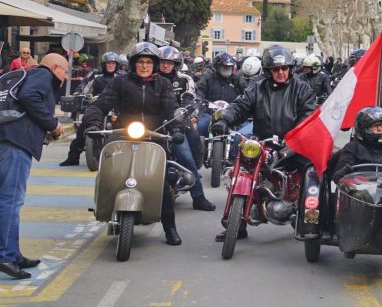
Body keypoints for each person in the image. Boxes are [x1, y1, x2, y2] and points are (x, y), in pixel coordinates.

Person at [212, 45, 318, 242]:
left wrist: (295, 136)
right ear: (269, 71)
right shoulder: (257, 88)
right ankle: (236, 224)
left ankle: (311, 219)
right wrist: (224, 120)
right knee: (240, 168)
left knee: (313, 172)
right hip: (264, 143)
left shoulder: (302, 88)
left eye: (284, 68)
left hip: (294, 144)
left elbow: (309, 113)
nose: (281, 72)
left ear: (290, 69)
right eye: (276, 69)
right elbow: (240, 106)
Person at [83, 43, 183, 246]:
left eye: (148, 62)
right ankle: (104, 208)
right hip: (123, 134)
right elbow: (102, 103)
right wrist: (93, 123)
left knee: (163, 182)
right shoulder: (120, 82)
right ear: (133, 64)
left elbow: (171, 106)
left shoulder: (163, 84)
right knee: (109, 172)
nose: (144, 66)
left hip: (154, 136)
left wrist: (176, 128)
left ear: (154, 64)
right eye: (140, 62)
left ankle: (170, 228)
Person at [0, 53, 66, 279]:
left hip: (6, 140)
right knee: (11, 201)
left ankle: (13, 253)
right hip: (15, 145)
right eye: (64, 72)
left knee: (6, 200)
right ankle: (7, 257)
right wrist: (53, 124)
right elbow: (30, 96)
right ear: (55, 67)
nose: (65, 78)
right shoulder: (42, 74)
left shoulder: (29, 74)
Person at [156, 46, 215, 211]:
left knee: (186, 155)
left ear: (175, 64)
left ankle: (198, 196)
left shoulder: (184, 79)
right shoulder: (151, 79)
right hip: (153, 123)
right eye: (162, 62)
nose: (165, 65)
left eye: (169, 63)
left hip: (177, 121)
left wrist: (184, 110)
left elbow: (189, 98)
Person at [60, 51, 123, 167]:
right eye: (108, 63)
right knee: (83, 128)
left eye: (113, 63)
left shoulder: (122, 75)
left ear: (117, 65)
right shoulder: (95, 73)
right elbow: (85, 82)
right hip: (98, 103)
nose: (111, 65)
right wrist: (78, 91)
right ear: (104, 64)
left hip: (117, 105)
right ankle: (73, 158)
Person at [328, 107, 382, 187]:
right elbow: (338, 176)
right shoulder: (352, 148)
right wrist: (343, 173)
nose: (380, 129)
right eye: (375, 126)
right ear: (364, 128)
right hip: (359, 196)